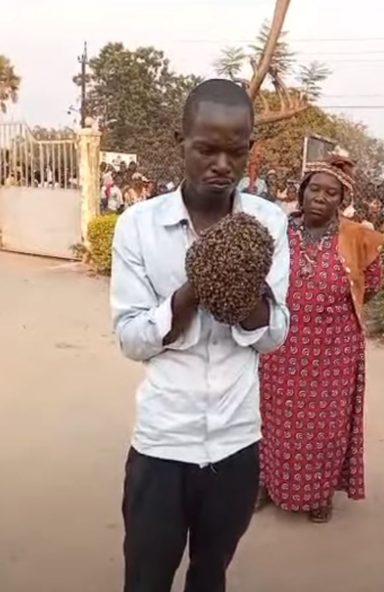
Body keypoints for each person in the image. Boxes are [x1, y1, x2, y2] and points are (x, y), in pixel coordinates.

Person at [110, 78, 290, 592]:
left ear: (250, 149)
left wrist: (241, 292)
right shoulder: (138, 227)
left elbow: (273, 336)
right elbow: (130, 338)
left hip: (236, 442)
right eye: (206, 149)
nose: (221, 165)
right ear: (180, 143)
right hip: (163, 441)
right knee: (146, 577)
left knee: (210, 576)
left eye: (235, 152)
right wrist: (192, 292)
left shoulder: (268, 223)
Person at [256, 156, 384, 523]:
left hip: (335, 350)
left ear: (341, 201)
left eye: (332, 193)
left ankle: (319, 494)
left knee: (325, 426)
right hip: (282, 344)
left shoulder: (358, 237)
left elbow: (370, 285)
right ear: (301, 191)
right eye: (314, 189)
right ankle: (267, 482)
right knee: (273, 418)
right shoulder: (278, 231)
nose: (320, 198)